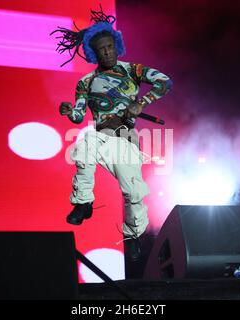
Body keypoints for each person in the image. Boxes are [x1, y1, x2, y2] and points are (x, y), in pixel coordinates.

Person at [52, 6, 172, 261]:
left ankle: (133, 236)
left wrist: (143, 101)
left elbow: (165, 81)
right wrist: (68, 111)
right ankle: (83, 203)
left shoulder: (133, 70)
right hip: (101, 135)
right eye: (100, 49)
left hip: (125, 140)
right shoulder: (85, 82)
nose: (106, 52)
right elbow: (78, 116)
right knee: (83, 147)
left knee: (134, 192)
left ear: (116, 45)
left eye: (109, 46)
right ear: (94, 53)